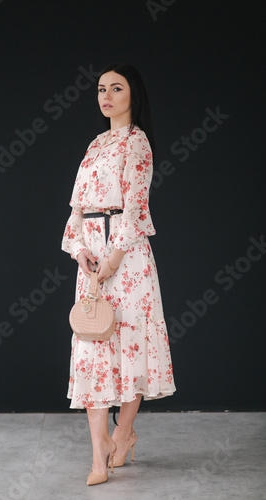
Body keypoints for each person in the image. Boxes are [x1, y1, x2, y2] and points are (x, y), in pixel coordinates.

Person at [61, 62, 176, 486]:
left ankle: (123, 433)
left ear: (133, 95)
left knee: (131, 346)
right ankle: (99, 451)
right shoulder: (94, 145)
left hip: (126, 260)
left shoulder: (137, 143)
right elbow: (76, 207)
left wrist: (111, 260)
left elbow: (134, 207)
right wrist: (79, 252)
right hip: (92, 260)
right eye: (101, 89)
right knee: (93, 349)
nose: (106, 96)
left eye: (117, 88)